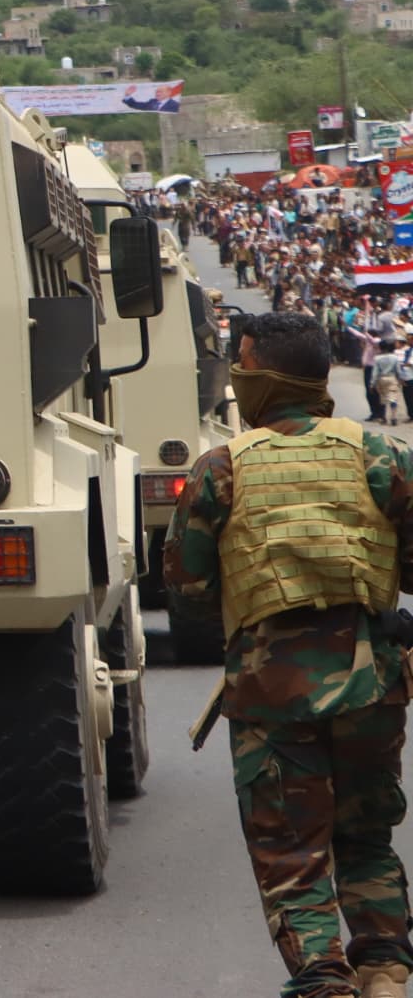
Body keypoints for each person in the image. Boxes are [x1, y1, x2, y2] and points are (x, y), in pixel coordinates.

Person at [167, 311, 413, 998]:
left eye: (241, 363)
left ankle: (323, 980)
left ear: (263, 380)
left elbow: (185, 592)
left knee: (291, 854)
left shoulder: (222, 468)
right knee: (366, 838)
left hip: (270, 692)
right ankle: (386, 972)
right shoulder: (381, 454)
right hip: (371, 683)